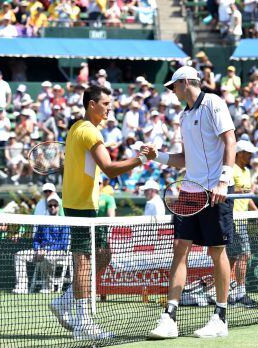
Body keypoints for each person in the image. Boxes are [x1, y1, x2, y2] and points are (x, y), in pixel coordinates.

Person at [50, 84, 151, 340]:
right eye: (105, 104)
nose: (109, 108)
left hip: (87, 203)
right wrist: (140, 159)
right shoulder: (88, 132)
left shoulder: (77, 127)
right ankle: (83, 324)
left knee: (104, 254)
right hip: (81, 205)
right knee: (83, 262)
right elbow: (109, 168)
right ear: (91, 104)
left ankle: (64, 301)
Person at [147, 66, 236, 339]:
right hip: (189, 190)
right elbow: (184, 159)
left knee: (216, 251)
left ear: (186, 82)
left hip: (213, 189)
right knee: (179, 248)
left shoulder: (213, 103)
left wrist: (224, 180)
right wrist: (157, 156)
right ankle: (169, 316)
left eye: (173, 86)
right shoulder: (184, 116)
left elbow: (229, 140)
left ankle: (220, 317)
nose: (172, 92)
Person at [12, 193, 70, 294]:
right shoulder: (42, 221)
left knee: (47, 257)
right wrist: (38, 249)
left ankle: (48, 287)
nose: (52, 207)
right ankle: (21, 287)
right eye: (50, 205)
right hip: (40, 252)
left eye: (55, 205)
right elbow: (36, 239)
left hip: (59, 253)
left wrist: (46, 250)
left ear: (58, 206)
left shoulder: (64, 221)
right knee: (19, 255)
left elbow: (64, 244)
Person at [227, 140, 258, 308]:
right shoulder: (231, 169)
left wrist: (257, 212)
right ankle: (239, 293)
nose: (250, 156)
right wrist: (240, 191)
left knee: (233, 258)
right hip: (233, 220)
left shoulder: (246, 171)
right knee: (242, 256)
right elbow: (225, 190)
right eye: (248, 153)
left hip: (242, 220)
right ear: (239, 153)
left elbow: (247, 197)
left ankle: (228, 293)